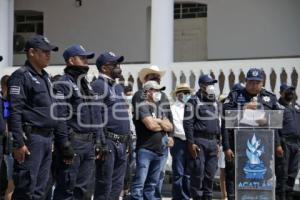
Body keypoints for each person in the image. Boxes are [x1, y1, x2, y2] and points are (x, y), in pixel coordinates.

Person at [7, 35, 69, 200]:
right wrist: (19, 142)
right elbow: (15, 110)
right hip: (31, 139)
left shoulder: (46, 77)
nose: (48, 55)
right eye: (44, 51)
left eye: (50, 52)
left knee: (41, 190)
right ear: (32, 52)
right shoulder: (21, 75)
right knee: (26, 188)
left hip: (46, 139)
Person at [52, 44, 105, 199]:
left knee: (83, 190)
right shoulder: (63, 83)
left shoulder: (86, 84)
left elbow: (95, 115)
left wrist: (100, 140)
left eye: (87, 58)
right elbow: (60, 117)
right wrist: (64, 144)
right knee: (66, 188)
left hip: (89, 144)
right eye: (82, 58)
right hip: (73, 142)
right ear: (71, 60)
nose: (86, 61)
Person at [221, 68, 281, 200]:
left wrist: (267, 122)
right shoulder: (235, 96)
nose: (254, 85)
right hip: (240, 148)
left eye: (257, 82)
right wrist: (243, 109)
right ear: (245, 82)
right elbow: (226, 122)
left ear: (262, 83)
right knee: (238, 179)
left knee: (262, 179)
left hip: (263, 149)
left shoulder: (270, 97)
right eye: (251, 82)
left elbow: (277, 122)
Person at [91, 51, 131, 200]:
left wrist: (128, 139)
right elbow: (96, 115)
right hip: (108, 142)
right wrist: (99, 142)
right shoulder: (98, 85)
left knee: (117, 186)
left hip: (122, 142)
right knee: (104, 185)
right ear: (104, 68)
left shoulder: (119, 87)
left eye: (118, 64)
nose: (118, 67)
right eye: (114, 64)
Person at [132, 65, 174, 198]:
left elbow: (170, 123)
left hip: (161, 148)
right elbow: (150, 125)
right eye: (153, 77)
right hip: (146, 148)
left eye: (158, 77)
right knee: (140, 183)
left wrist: (168, 131)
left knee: (154, 183)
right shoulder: (140, 96)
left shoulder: (163, 98)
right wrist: (162, 122)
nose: (157, 79)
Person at [183, 74, 220, 200]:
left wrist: (218, 143)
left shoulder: (215, 101)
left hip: (213, 142)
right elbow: (187, 123)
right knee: (198, 174)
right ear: (202, 85)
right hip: (199, 141)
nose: (211, 86)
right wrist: (190, 143)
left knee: (210, 175)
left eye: (212, 84)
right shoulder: (193, 101)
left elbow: (217, 122)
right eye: (209, 84)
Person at [275, 83, 300, 200]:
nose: (290, 93)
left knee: (292, 174)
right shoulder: (277, 106)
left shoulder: (297, 107)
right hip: (284, 144)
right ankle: (281, 197)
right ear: (281, 93)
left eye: (292, 91)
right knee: (282, 174)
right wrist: (278, 144)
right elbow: (274, 128)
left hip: (297, 145)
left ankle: (289, 196)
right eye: (287, 91)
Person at [170, 83, 192, 200]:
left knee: (188, 173)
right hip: (179, 142)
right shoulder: (173, 108)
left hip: (190, 142)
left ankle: (186, 197)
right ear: (178, 95)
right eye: (185, 93)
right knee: (178, 172)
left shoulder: (192, 107)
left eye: (188, 93)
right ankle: (178, 197)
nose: (187, 95)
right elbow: (178, 128)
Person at [1, 75, 15, 200]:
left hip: (10, 143)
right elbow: (5, 125)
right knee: (11, 183)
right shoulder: (5, 102)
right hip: (9, 145)